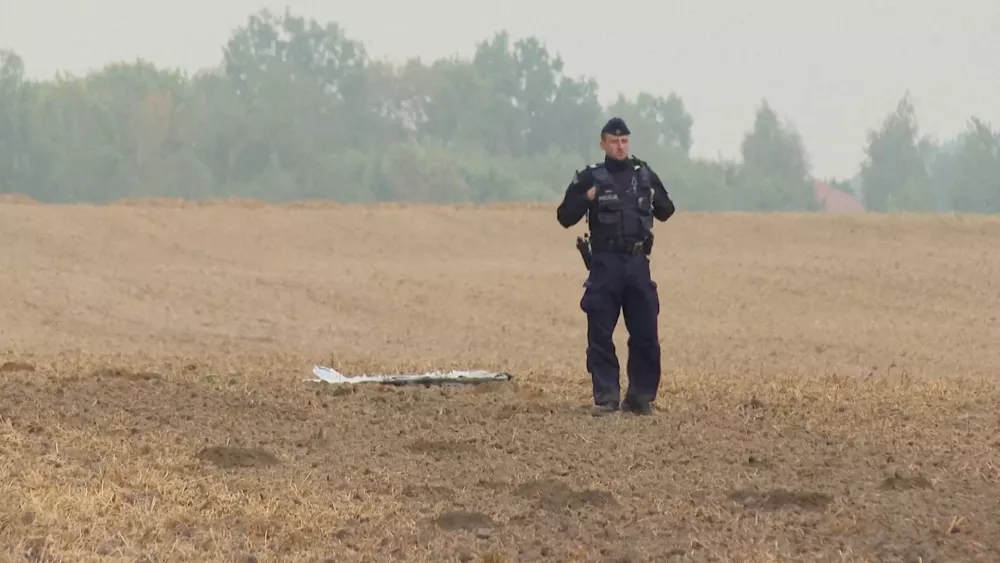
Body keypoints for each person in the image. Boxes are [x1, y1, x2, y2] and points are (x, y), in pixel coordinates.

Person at [556, 117, 676, 416]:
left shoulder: (644, 175)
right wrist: (587, 198)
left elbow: (667, 211)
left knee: (646, 331)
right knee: (600, 332)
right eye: (613, 141)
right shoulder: (590, 178)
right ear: (603, 144)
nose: (620, 146)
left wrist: (652, 195)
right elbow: (564, 216)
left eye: (624, 141)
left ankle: (640, 396)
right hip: (605, 264)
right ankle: (607, 396)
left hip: (637, 262)